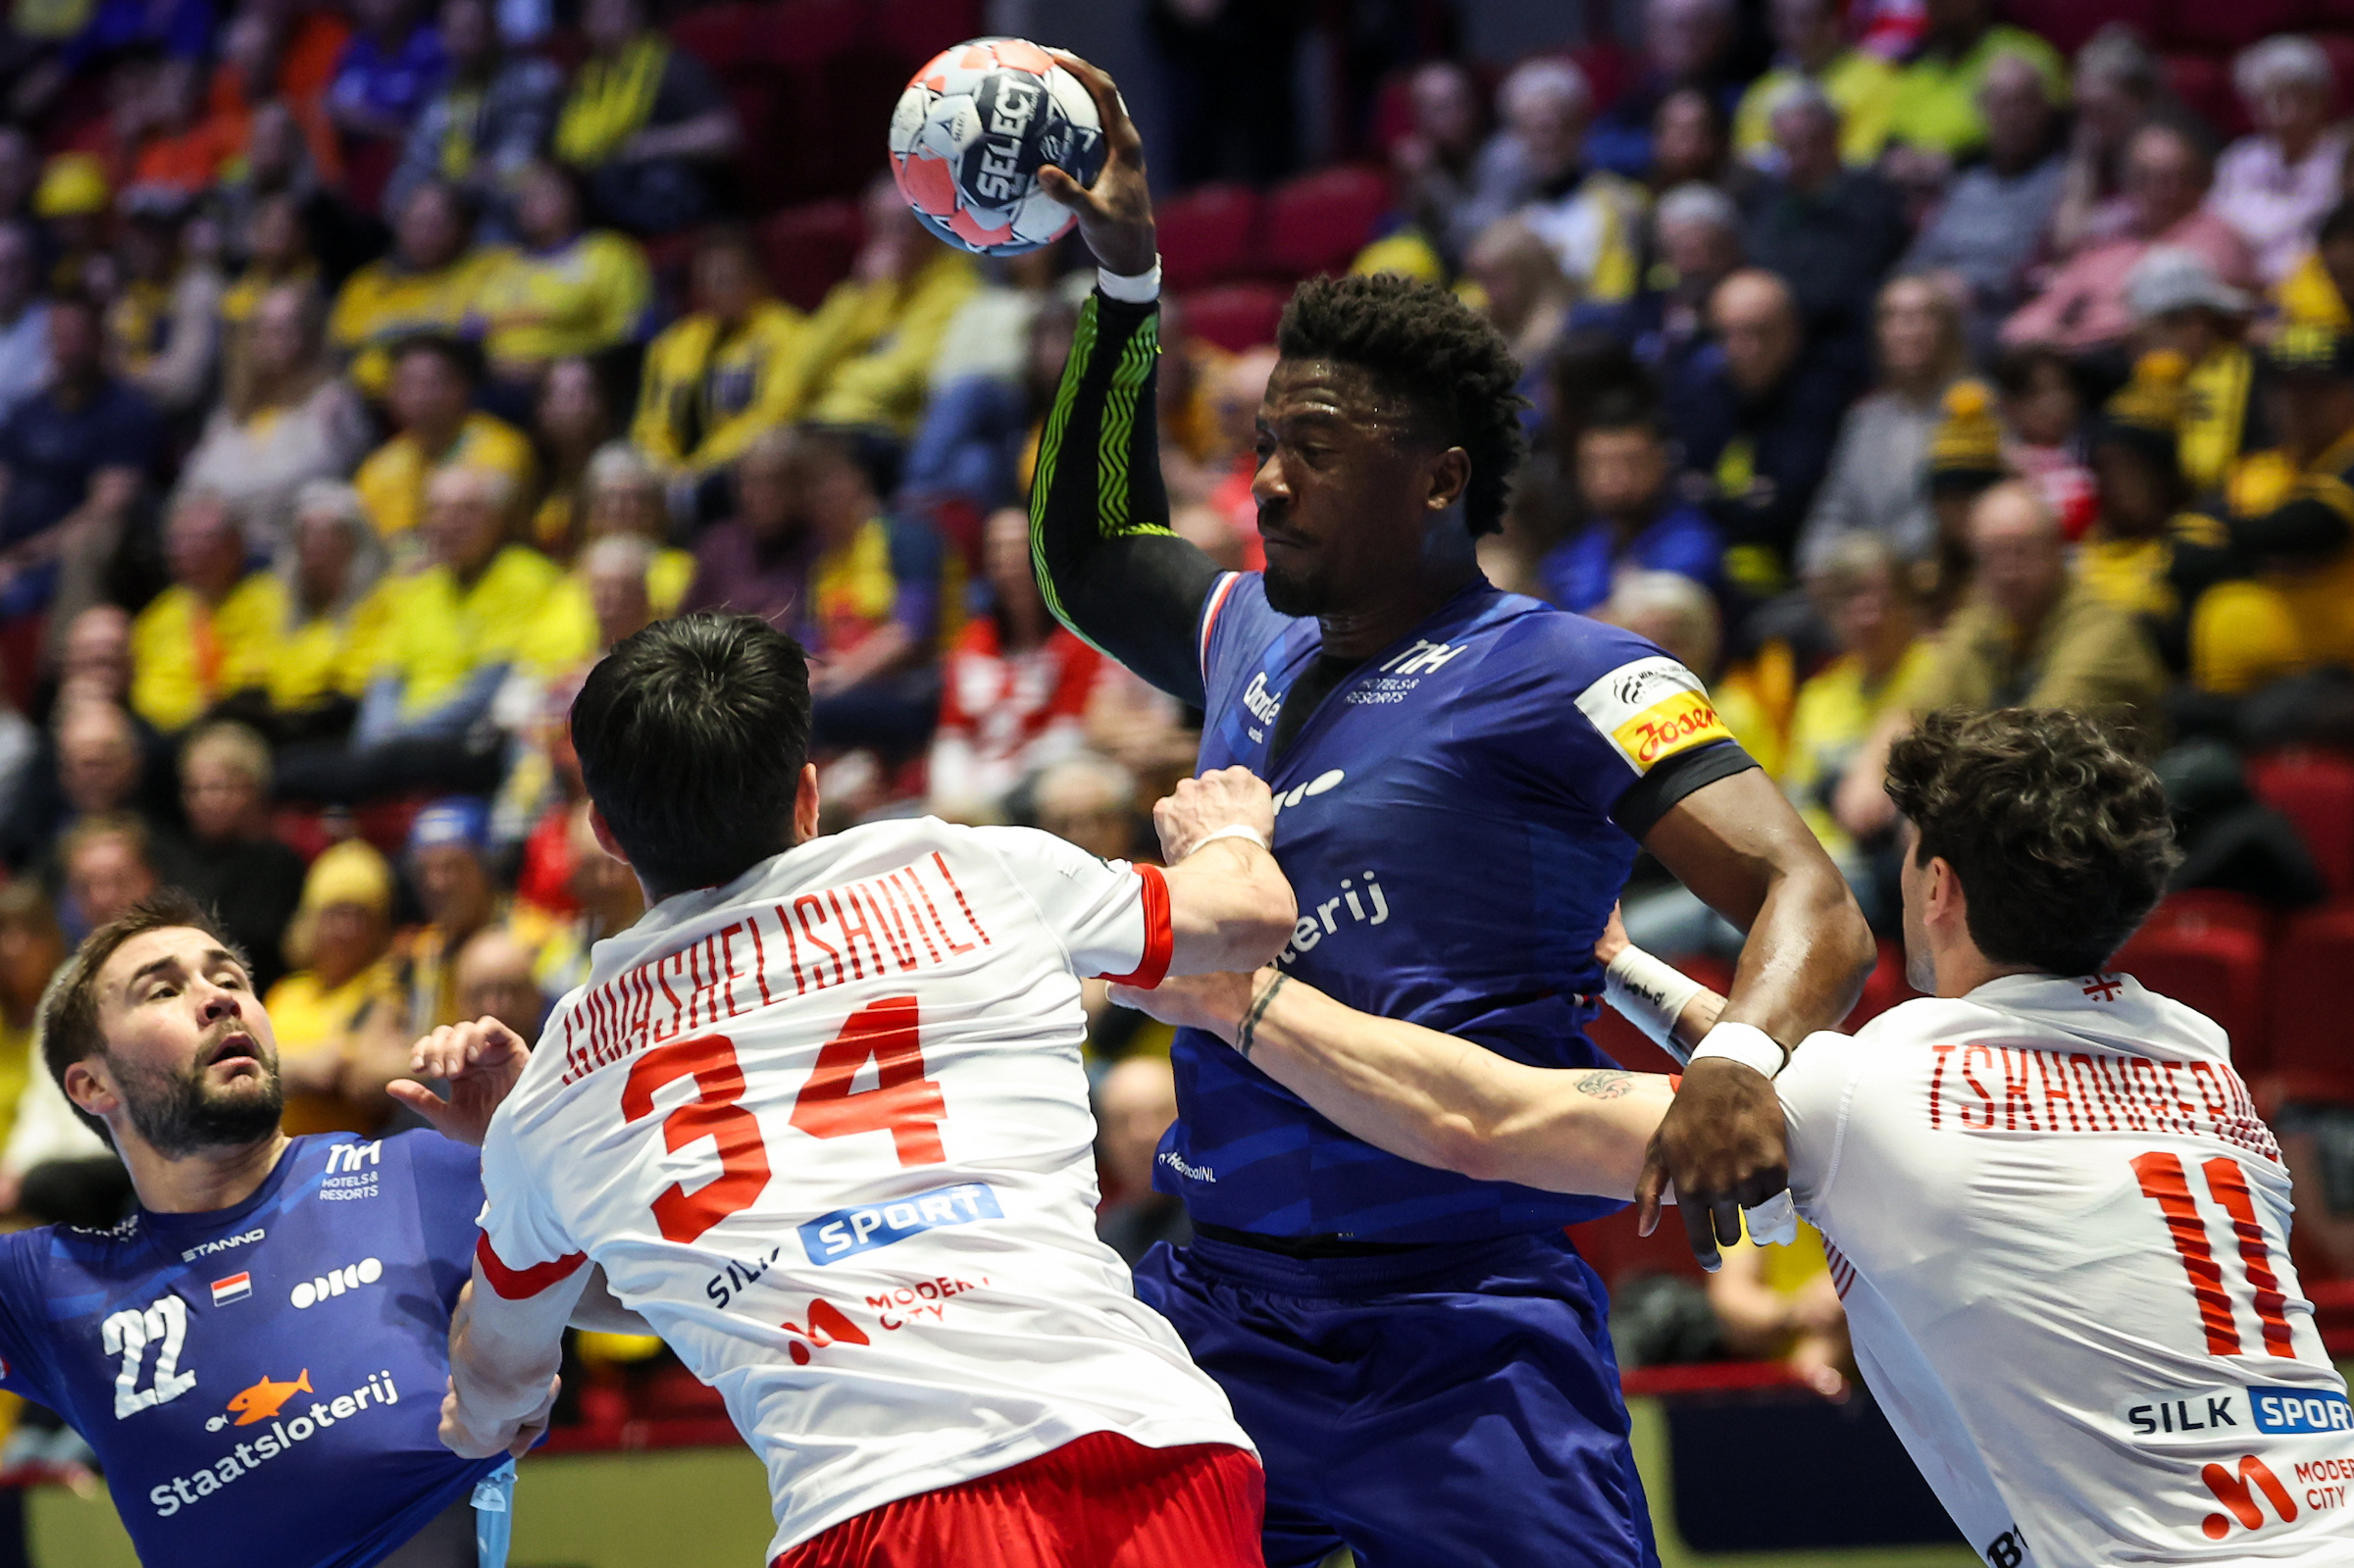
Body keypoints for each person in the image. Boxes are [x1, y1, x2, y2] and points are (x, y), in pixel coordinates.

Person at [1027, 52, 1873, 1568]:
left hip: (1462, 1326)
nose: (1266, 481)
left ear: (1439, 479)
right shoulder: (1244, 640)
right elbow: (1092, 554)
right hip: (1218, 1310)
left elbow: (1810, 897)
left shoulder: (1573, 671)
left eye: (1316, 448)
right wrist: (1126, 280)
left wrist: (1744, 1058)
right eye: (1263, 444)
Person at [1118, 703, 2354, 1568]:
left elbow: (1482, 1121)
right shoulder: (2195, 1051)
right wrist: (1616, 966)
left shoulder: (1885, 1092)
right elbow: (1801, 1077)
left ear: (1936, 890)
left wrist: (1236, 994)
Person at [442, 612, 1293, 1565]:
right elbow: (1250, 914)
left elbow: (498, 1363)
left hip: (881, 1508)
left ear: (604, 830)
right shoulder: (968, 868)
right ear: (806, 797)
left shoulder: (558, 1083)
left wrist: (489, 1418)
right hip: (1158, 1450)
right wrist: (1228, 832)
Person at [1, 886, 644, 1568]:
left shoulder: (418, 1173)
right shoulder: (51, 1287)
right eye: (162, 990)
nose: (220, 998)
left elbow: (658, 1295)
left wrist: (540, 1163)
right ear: (92, 1085)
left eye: (230, 979)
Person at [1833, 481, 2167, 842]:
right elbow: (1917, 708)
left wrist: (1943, 806)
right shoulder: (1989, 621)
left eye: (2022, 552)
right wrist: (1869, 770)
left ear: (2057, 550)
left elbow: (2039, 738)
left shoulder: (2103, 633)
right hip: (2028, 812)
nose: (2008, 570)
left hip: (2104, 825)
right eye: (1993, 555)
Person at [2002, 123, 2260, 357]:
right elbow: (2033, 319)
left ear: (2201, 180)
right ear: (2127, 182)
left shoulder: (2217, 237)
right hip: (2078, 363)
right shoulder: (2109, 243)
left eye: (2175, 176)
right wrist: (2042, 336)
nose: (2161, 189)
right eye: (2145, 177)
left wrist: (2072, 336)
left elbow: (2166, 320)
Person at [1670, 268, 1855, 590]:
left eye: (1760, 333)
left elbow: (1790, 510)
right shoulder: (1702, 397)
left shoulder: (1824, 399)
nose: (1745, 348)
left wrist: (1712, 497)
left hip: (1795, 579)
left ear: (1793, 331)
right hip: (1707, 576)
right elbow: (1679, 497)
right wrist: (1747, 500)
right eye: (1730, 334)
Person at [0, 293, 161, 639]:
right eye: (59, 337)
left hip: (67, 557)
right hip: (11, 554)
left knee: (20, 596)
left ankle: (62, 680)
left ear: (99, 340)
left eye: (77, 336)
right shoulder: (29, 411)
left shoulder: (126, 413)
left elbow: (108, 505)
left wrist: (27, 555)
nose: (67, 348)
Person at [929, 506, 1105, 820]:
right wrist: (955, 796)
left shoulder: (1077, 640)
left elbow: (1067, 735)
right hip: (971, 790)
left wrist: (993, 788)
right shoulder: (972, 640)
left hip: (1038, 786)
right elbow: (952, 736)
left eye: (1019, 547)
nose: (1009, 560)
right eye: (997, 549)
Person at [178, 281, 372, 552]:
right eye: (264, 329)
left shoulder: (332, 400)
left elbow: (309, 478)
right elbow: (195, 482)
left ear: (310, 334)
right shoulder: (233, 411)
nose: (275, 339)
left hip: (292, 547)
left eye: (287, 328)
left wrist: (226, 505)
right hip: (226, 548)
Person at [1797, 275, 1967, 572]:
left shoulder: (1973, 406)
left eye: (1920, 317)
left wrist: (1876, 561)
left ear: (1947, 329)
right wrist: (1819, 563)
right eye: (1893, 318)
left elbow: (1954, 512)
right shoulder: (1865, 418)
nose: (1906, 331)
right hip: (1862, 579)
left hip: (1941, 577)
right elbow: (1835, 507)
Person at [1899, 51, 2067, 350]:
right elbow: (1918, 257)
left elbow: (2029, 267)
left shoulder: (2060, 181)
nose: (2011, 115)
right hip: (1935, 307)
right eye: (2000, 104)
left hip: (1998, 317)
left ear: (2043, 109)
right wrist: (1929, 285)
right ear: (1983, 111)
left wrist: (1972, 288)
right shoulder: (1964, 182)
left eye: (2023, 102)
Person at [1739, 82, 1910, 372]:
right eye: (1791, 145)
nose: (1803, 157)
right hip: (1775, 333)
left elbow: (1849, 279)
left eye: (1813, 141)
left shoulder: (1870, 195)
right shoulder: (1768, 199)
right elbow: (1757, 259)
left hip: (1842, 340)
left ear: (1835, 137)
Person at [630, 226, 806, 485]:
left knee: (773, 444)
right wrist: (663, 467)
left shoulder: (789, 333)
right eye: (706, 280)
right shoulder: (672, 344)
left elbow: (775, 413)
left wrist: (700, 468)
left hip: (744, 470)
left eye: (726, 279)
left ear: (756, 278)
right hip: (674, 479)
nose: (714, 289)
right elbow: (650, 425)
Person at [552, 0, 740, 234]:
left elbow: (724, 132)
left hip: (675, 195)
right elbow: (569, 148)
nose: (604, 22)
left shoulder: (670, 66)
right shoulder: (586, 82)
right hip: (607, 201)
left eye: (612, 11)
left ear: (635, 15)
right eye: (595, 14)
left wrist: (655, 143)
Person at [384, 0, 560, 240]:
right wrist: (409, 202)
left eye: (471, 32)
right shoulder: (440, 94)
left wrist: (450, 188)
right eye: (454, 33)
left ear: (495, 30)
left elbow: (516, 164)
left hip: (504, 223)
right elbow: (414, 164)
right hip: (443, 220)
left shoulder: (531, 81)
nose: (463, 45)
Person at [264, 836, 403, 1136]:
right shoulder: (287, 992)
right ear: (311, 919)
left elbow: (358, 1078)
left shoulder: (385, 987)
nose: (347, 930)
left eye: (361, 916)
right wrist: (307, 1065)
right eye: (336, 913)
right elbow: (247, 1068)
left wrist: (278, 1067)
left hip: (343, 1162)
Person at [1537, 388, 1722, 614]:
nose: (1616, 478)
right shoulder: (1574, 551)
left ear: (1661, 462)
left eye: (1630, 462)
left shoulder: (1691, 543)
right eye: (1599, 465)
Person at [473, 158, 650, 391]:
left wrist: (552, 370)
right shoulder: (499, 265)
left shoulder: (609, 254)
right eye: (524, 194)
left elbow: (631, 338)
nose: (529, 202)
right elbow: (470, 335)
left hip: (574, 389)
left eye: (543, 192)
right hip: (493, 387)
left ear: (574, 198)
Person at [352, 332, 535, 543]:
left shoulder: (503, 448)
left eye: (432, 383)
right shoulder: (378, 469)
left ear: (463, 387)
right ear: (391, 395)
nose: (421, 396)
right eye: (408, 384)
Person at [329, 181, 499, 399]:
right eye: (417, 222)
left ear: (461, 228)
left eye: (437, 224)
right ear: (399, 224)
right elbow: (339, 357)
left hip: (456, 403)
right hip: (371, 405)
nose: (425, 233)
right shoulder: (364, 285)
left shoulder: (487, 271)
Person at [172, 720, 307, 993]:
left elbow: (256, 945)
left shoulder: (277, 862)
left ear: (254, 789)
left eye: (217, 788)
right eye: (194, 790)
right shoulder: (177, 861)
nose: (205, 801)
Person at [2210, 35, 2348, 287]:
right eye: (2267, 97)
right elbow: (2218, 227)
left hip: (2321, 286)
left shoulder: (2345, 158)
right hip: (2241, 286)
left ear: (2322, 96)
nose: (2282, 108)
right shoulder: (2239, 159)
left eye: (2295, 93)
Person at [1883, 0, 2063, 164]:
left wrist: (1956, 161)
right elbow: (1894, 137)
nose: (1938, 4)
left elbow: (2051, 133)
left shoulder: (2026, 55)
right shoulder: (1918, 67)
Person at [1731, 0, 1899, 170]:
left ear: (1834, 22)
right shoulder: (1762, 90)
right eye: (1781, 19)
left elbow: (1862, 156)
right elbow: (1747, 159)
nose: (1790, 30)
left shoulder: (1876, 80)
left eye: (1803, 19)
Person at [0, 222, 48, 427]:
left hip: (34, 444)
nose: (6, 277)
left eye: (15, 266)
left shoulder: (54, 324)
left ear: (30, 269)